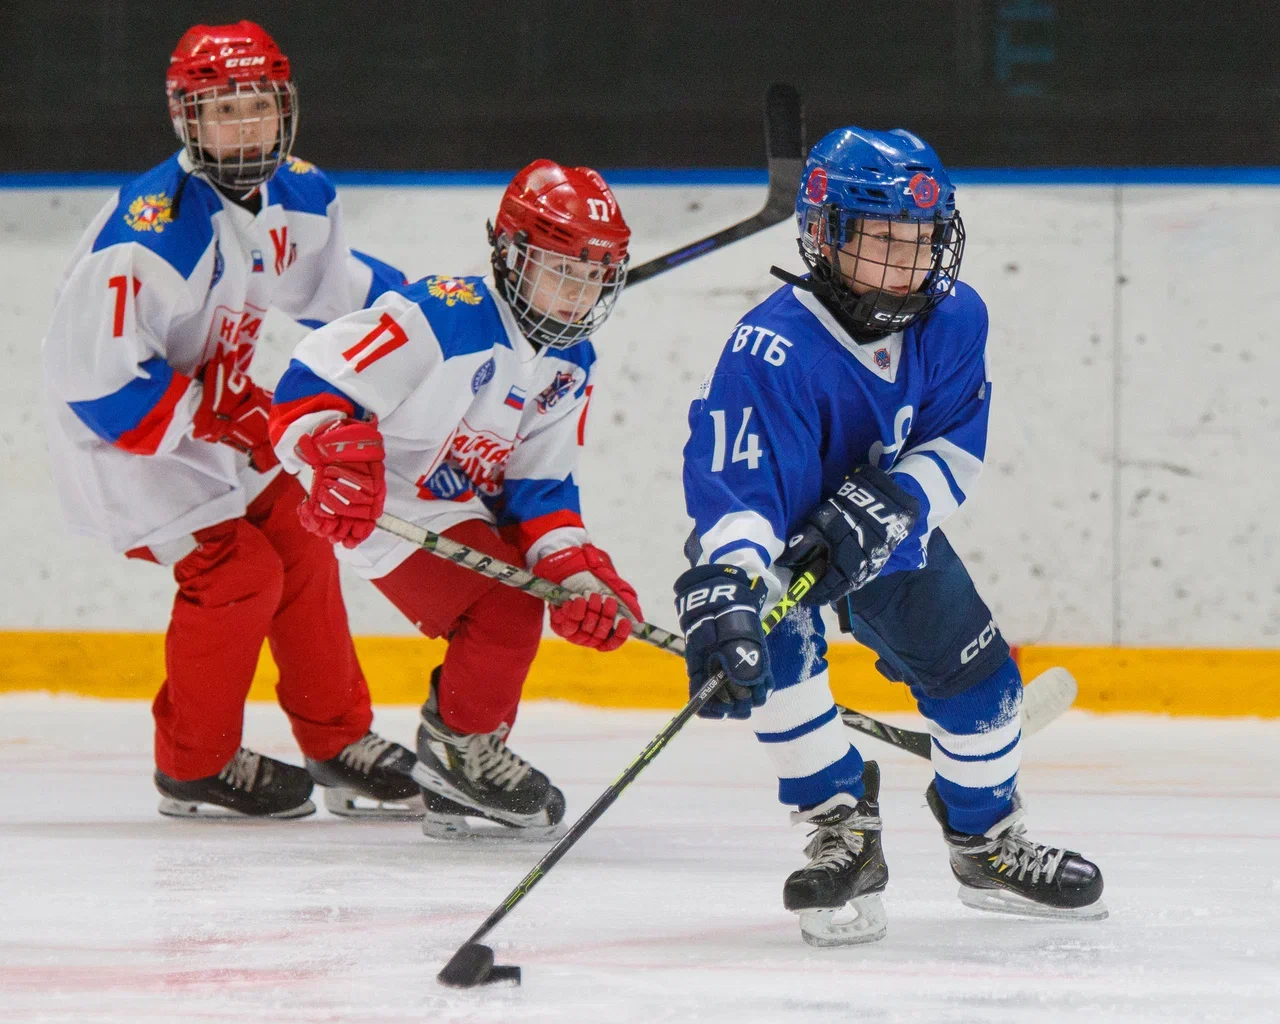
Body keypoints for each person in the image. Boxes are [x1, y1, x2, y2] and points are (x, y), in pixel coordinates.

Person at [674, 126, 1105, 946]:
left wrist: (898, 506)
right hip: (783, 544)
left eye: (920, 240)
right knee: (778, 654)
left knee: (982, 684)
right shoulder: (769, 350)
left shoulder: (956, 318)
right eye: (882, 240)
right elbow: (737, 490)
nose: (907, 262)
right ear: (824, 234)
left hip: (890, 534)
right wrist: (732, 583)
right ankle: (841, 828)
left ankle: (988, 842)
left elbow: (954, 448)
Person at [41, 21, 418, 819]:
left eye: (257, 107)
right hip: (120, 438)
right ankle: (194, 764)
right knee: (235, 572)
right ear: (188, 121)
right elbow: (98, 386)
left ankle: (336, 741)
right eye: (223, 111)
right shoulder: (152, 235)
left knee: (300, 531)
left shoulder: (298, 195)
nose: (244, 128)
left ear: (286, 109)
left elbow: (340, 294)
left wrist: (435, 313)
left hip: (208, 410)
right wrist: (216, 414)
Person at [268, 159, 643, 840]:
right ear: (511, 254)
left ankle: (466, 756)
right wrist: (331, 456)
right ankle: (456, 753)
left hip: (453, 503)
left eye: (594, 276)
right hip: (376, 498)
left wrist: (577, 572)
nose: (577, 294)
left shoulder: (571, 363)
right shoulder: (445, 314)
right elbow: (312, 381)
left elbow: (539, 489)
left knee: (520, 595)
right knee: (505, 604)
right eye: (561, 269)